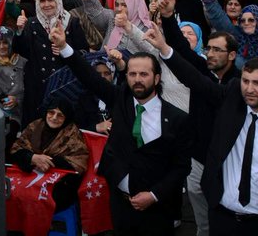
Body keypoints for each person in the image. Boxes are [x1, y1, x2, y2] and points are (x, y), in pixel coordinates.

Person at [147, 23, 258, 232]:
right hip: (222, 215)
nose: (249, 89)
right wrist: (164, 48)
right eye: (246, 82)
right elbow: (195, 79)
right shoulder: (232, 97)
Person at [55, 26, 192, 236]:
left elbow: (181, 166)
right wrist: (64, 47)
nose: (137, 79)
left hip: (159, 210)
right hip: (121, 205)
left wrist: (154, 195)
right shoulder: (120, 100)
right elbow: (89, 78)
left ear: (156, 79)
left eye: (144, 74)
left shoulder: (177, 118)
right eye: (132, 74)